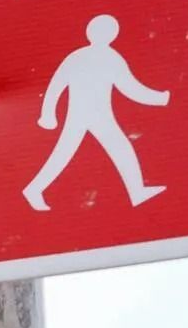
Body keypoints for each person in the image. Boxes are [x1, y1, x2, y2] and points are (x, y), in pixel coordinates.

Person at [23, 14, 171, 212]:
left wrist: (48, 113)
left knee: (116, 148)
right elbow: (58, 85)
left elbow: (129, 87)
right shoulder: (101, 58)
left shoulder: (88, 57)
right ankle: (33, 189)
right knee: (65, 154)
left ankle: (137, 192)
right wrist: (160, 98)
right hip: (85, 115)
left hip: (97, 115)